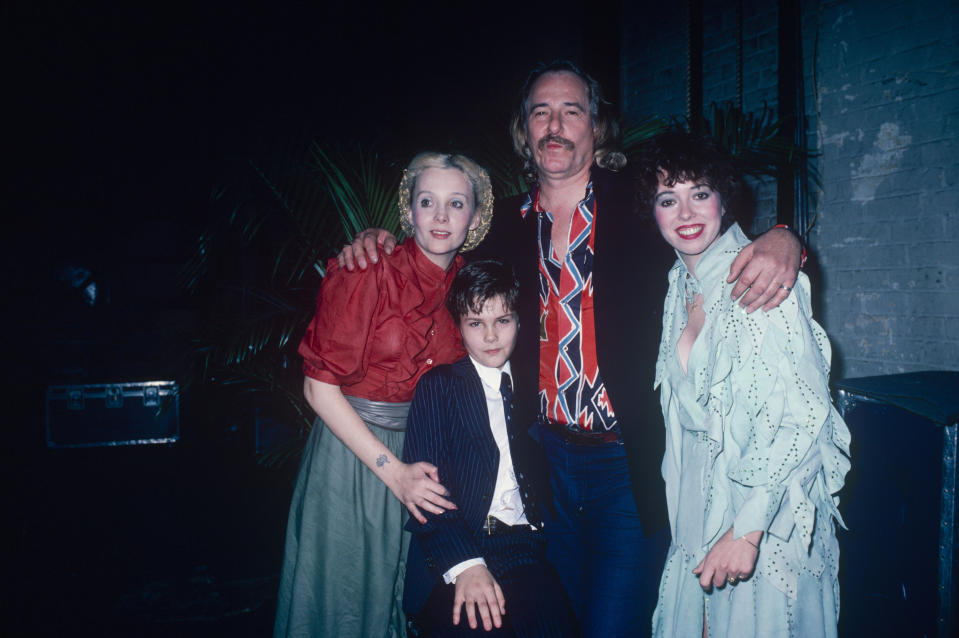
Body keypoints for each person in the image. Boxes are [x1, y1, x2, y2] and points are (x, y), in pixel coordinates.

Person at [338, 61, 803, 636]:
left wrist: (785, 238)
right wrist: (380, 242)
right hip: (542, 466)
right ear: (524, 131)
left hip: (627, 469)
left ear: (596, 127)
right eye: (541, 112)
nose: (555, 125)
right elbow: (437, 256)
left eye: (572, 111)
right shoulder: (500, 223)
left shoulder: (639, 205)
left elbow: (707, 226)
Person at [636, 130, 850, 637]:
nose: (686, 212)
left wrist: (746, 532)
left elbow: (803, 420)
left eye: (700, 194)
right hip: (696, 520)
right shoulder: (677, 288)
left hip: (764, 523)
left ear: (724, 198)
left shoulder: (762, 275)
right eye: (669, 199)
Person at [274, 152, 495, 638]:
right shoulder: (365, 271)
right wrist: (393, 474)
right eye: (427, 201)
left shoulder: (470, 286)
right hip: (354, 452)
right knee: (344, 601)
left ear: (474, 218)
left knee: (405, 598)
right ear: (408, 210)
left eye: (456, 203)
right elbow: (317, 386)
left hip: (424, 452)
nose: (440, 216)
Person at [403, 259, 576, 637]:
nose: (491, 337)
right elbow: (425, 499)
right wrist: (467, 564)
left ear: (519, 320)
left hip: (524, 546)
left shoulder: (537, 385)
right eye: (476, 323)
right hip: (459, 543)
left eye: (503, 320)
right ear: (459, 327)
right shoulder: (440, 387)